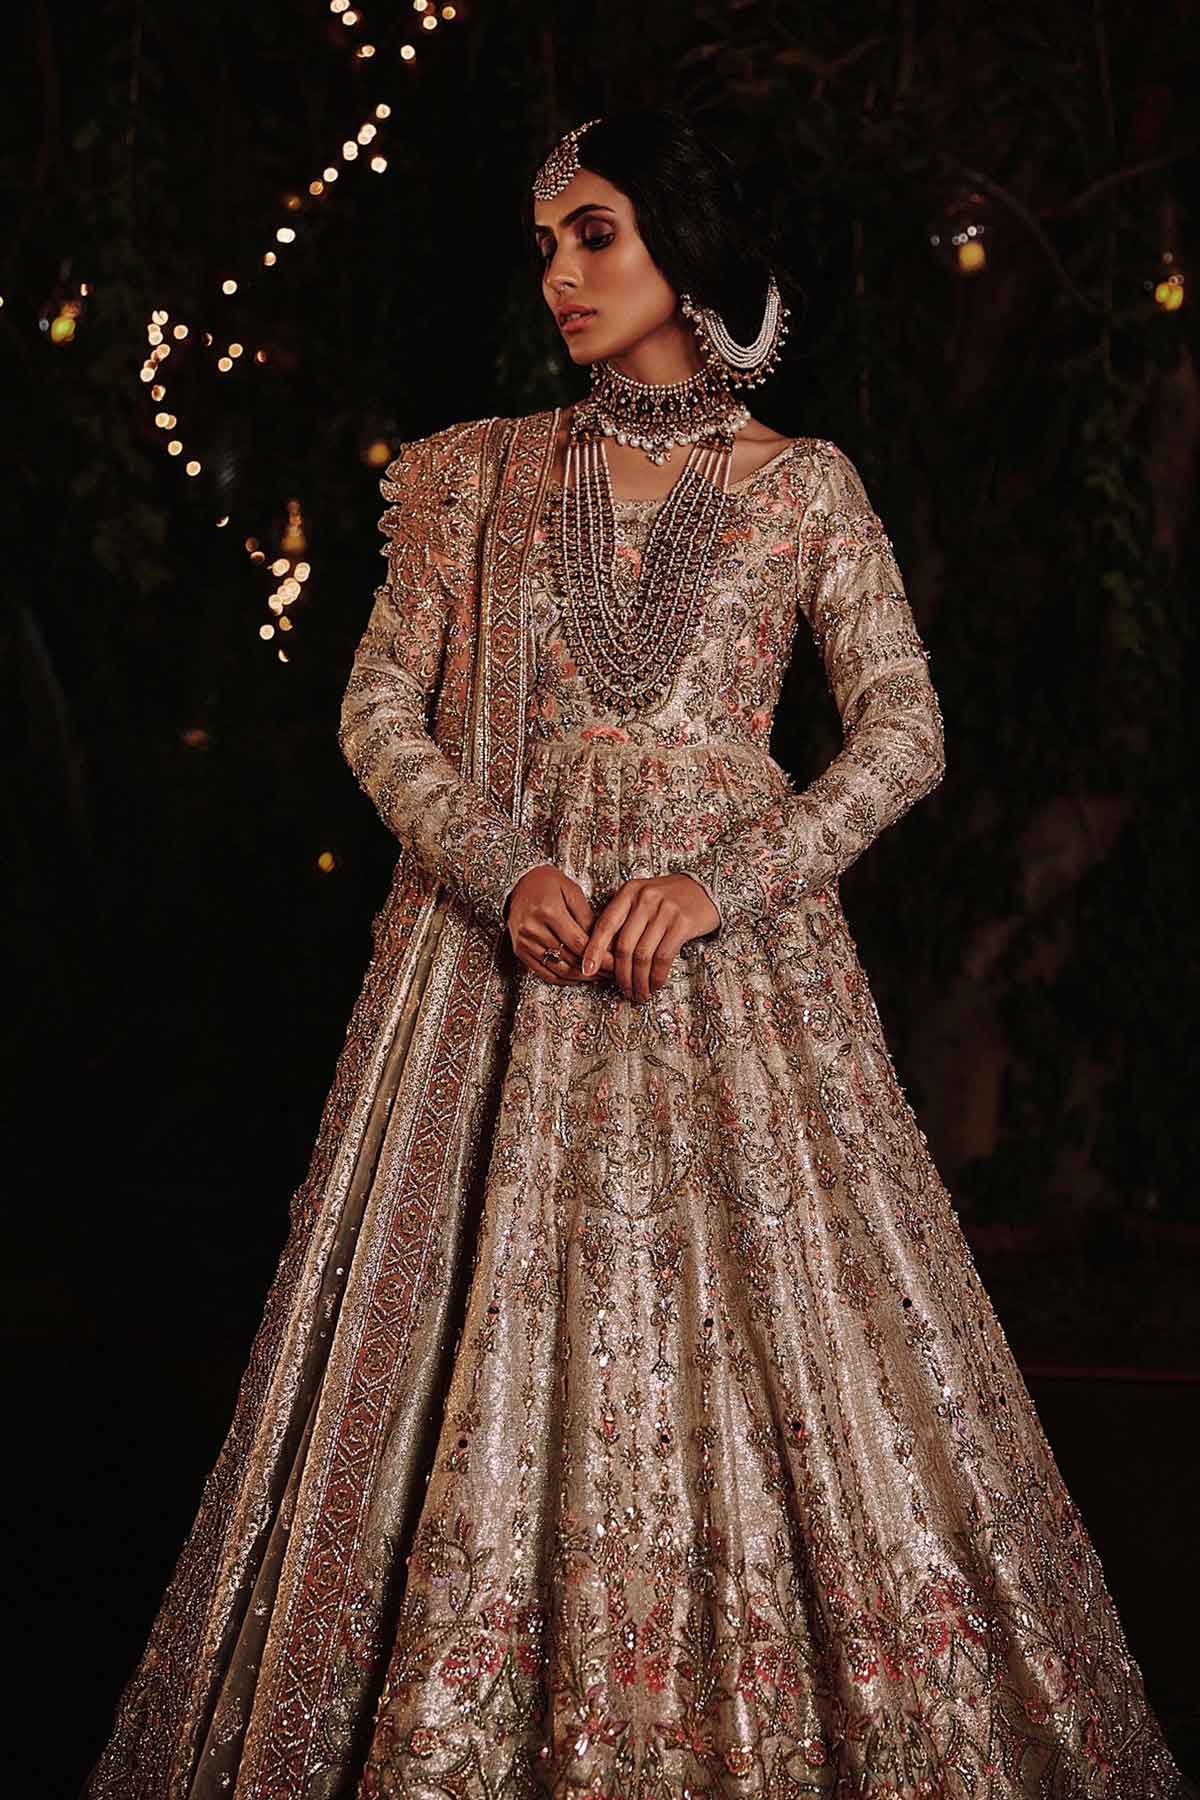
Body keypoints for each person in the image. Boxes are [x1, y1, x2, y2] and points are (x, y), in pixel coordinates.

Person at [83, 109, 1195, 1800]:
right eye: (546, 246)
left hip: (732, 990)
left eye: (595, 233)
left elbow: (904, 735)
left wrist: (725, 881)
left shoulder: (806, 486)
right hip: (489, 988)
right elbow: (378, 712)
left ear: (681, 238)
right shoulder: (469, 476)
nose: (564, 276)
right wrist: (497, 860)